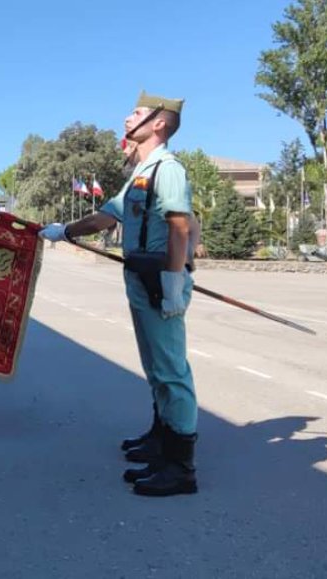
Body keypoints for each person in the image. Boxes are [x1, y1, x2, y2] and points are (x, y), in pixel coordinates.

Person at [40, 91, 197, 497]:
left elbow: (181, 227)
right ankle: (161, 441)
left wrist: (175, 281)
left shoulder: (169, 169)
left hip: (161, 278)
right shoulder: (141, 172)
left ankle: (181, 467)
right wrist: (65, 231)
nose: (128, 118)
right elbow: (107, 216)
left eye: (138, 113)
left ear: (159, 123)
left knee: (171, 370)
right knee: (154, 366)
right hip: (142, 276)